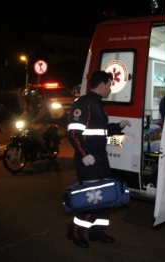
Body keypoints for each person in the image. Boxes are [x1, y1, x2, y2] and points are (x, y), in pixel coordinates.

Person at [66, 70, 131, 248]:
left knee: (105, 197)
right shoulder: (83, 103)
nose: (111, 88)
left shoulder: (98, 105)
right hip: (88, 159)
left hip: (100, 158)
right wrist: (84, 156)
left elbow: (100, 132)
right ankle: (75, 231)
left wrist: (117, 126)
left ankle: (97, 232)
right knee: (90, 199)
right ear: (102, 85)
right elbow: (73, 133)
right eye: (110, 84)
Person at [20, 87, 49, 155]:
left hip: (41, 123)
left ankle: (45, 150)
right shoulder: (28, 102)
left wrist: (36, 119)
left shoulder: (35, 101)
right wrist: (18, 119)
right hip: (31, 123)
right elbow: (25, 112)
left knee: (35, 135)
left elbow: (42, 111)